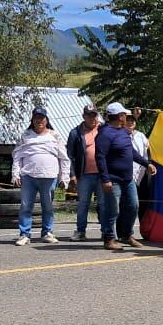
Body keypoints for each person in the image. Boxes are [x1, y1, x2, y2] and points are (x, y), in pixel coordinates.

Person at [95, 102, 152, 251]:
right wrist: (105, 179)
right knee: (113, 210)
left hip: (128, 179)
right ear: (119, 116)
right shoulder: (105, 134)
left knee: (133, 206)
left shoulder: (123, 131)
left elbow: (131, 152)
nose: (126, 117)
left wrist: (146, 164)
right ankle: (109, 238)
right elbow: (100, 157)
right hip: (113, 180)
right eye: (124, 115)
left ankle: (126, 235)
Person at [12, 106, 70, 246]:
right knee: (26, 206)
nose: (39, 121)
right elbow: (17, 156)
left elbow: (64, 158)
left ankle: (47, 232)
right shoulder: (25, 136)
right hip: (28, 176)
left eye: (42, 118)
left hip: (49, 176)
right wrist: (15, 174)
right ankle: (24, 234)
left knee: (48, 206)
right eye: (36, 118)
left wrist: (64, 178)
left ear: (46, 120)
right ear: (32, 120)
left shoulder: (54, 135)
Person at [65, 103, 103, 242]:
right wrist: (72, 174)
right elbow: (70, 155)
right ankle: (80, 231)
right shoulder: (75, 132)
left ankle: (106, 232)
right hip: (84, 175)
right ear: (83, 116)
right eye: (89, 115)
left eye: (94, 115)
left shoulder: (104, 129)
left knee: (104, 204)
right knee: (83, 204)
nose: (92, 117)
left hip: (102, 174)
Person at [121, 108, 156, 244]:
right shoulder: (120, 135)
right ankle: (124, 233)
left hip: (142, 174)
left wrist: (149, 165)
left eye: (132, 121)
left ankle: (144, 231)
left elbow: (148, 153)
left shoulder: (141, 136)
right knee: (129, 205)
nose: (130, 123)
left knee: (142, 204)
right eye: (127, 120)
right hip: (127, 174)